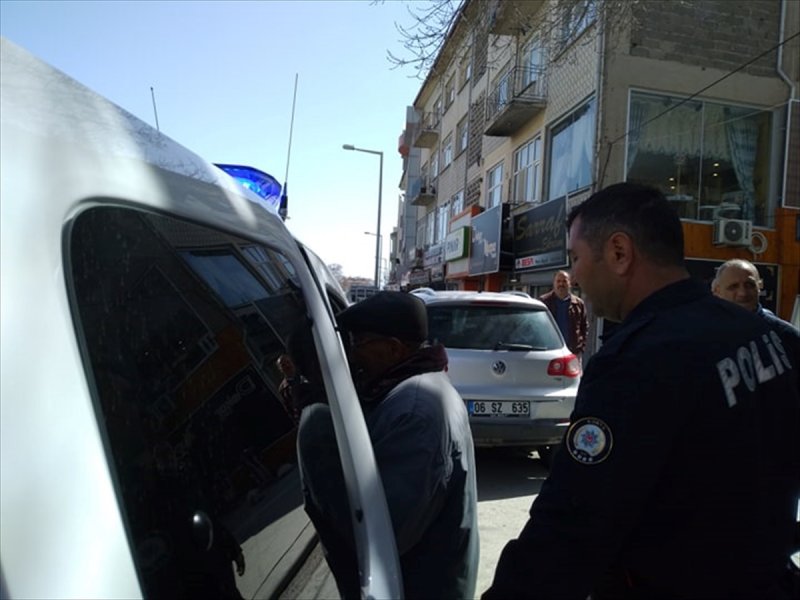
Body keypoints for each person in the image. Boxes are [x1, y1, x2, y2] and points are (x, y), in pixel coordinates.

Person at [483, 182, 799, 599]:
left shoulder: (636, 361)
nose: (574, 276)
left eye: (576, 258)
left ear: (619, 252)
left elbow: (572, 524)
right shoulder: (767, 336)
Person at [296, 291, 479, 599]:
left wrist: (317, 431)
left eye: (359, 343)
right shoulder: (415, 389)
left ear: (393, 348)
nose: (352, 355)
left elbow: (385, 535)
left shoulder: (415, 409)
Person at [711, 258, 800, 379]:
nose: (743, 293)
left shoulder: (786, 335)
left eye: (749, 285)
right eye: (733, 287)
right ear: (716, 291)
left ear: (759, 286)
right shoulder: (703, 335)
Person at [538, 269, 589, 358]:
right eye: (558, 281)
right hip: (549, 351)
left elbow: (584, 326)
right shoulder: (544, 301)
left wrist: (581, 347)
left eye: (564, 281)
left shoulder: (578, 304)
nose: (561, 284)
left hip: (573, 352)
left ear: (569, 283)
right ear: (554, 283)